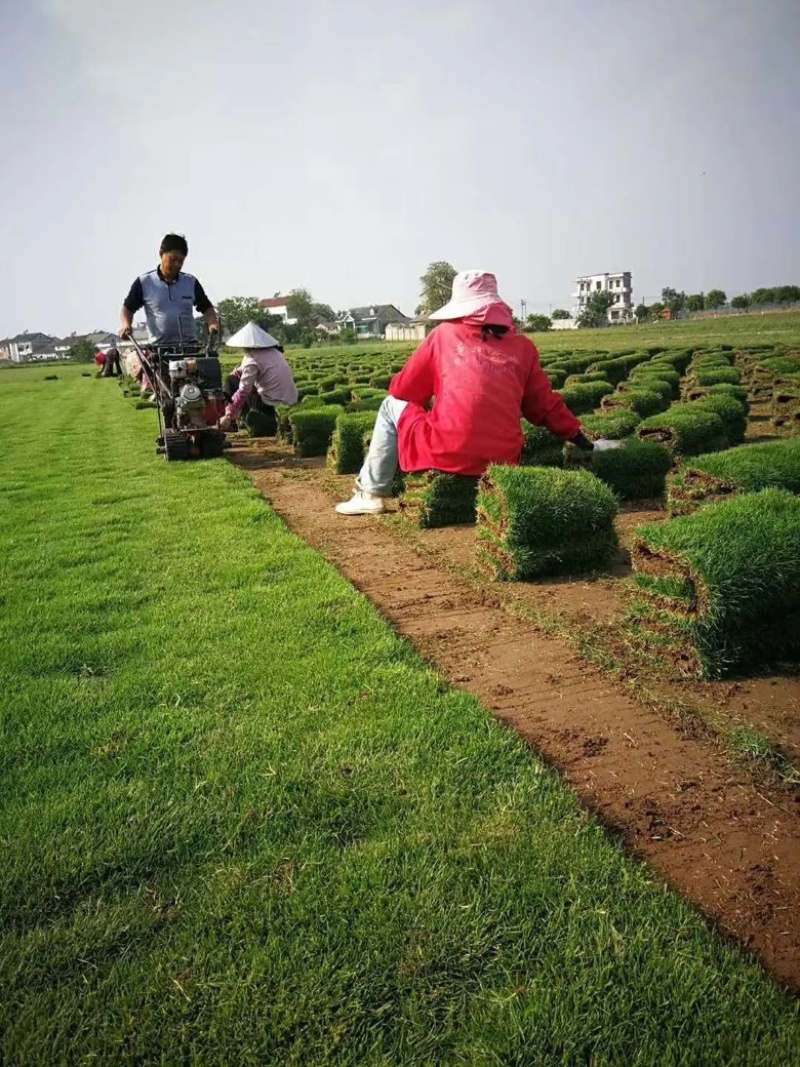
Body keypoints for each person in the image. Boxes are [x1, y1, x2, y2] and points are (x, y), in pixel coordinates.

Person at [336, 270, 621, 516]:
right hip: (503, 458)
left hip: (448, 449)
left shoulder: (443, 335)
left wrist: (428, 404)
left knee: (390, 404)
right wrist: (586, 444)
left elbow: (402, 390)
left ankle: (370, 492)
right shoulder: (523, 347)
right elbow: (545, 407)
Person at [119, 233, 219, 348]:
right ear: (161, 254)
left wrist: (213, 323)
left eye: (181, 261)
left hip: (189, 347)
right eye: (173, 259)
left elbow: (207, 307)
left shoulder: (190, 282)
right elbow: (127, 308)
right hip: (159, 349)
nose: (177, 264)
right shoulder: (145, 282)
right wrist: (126, 325)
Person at [218, 322, 298, 432]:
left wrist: (228, 415)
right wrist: (237, 373)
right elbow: (243, 370)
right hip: (290, 399)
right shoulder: (275, 352)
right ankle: (240, 416)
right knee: (235, 379)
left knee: (231, 381)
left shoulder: (251, 359)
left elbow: (244, 390)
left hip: (269, 404)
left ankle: (231, 421)